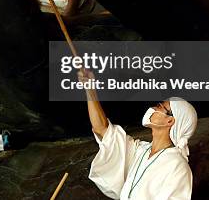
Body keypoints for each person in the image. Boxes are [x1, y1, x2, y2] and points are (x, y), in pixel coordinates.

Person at [80, 70, 196, 199]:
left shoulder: (177, 166)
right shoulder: (140, 151)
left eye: (160, 106)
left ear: (169, 120)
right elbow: (102, 128)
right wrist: (90, 90)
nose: (154, 108)